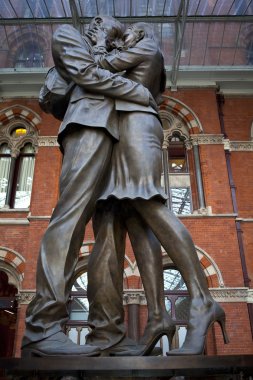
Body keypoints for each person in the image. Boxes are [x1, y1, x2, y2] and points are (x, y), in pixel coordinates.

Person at [87, 22, 229, 356]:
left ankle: (202, 300)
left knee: (148, 203)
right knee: (136, 217)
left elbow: (99, 69)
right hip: (126, 129)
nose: (123, 38)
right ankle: (157, 316)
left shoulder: (148, 48)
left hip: (138, 127)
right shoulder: (139, 53)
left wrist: (99, 42)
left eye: (128, 34)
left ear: (140, 34)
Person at [21, 16, 157, 358]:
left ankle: (107, 332)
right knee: (70, 218)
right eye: (108, 25)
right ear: (95, 23)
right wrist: (138, 92)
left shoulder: (111, 52)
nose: (113, 30)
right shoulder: (68, 35)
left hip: (116, 136)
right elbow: (88, 75)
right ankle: (42, 326)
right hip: (86, 127)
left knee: (111, 233)